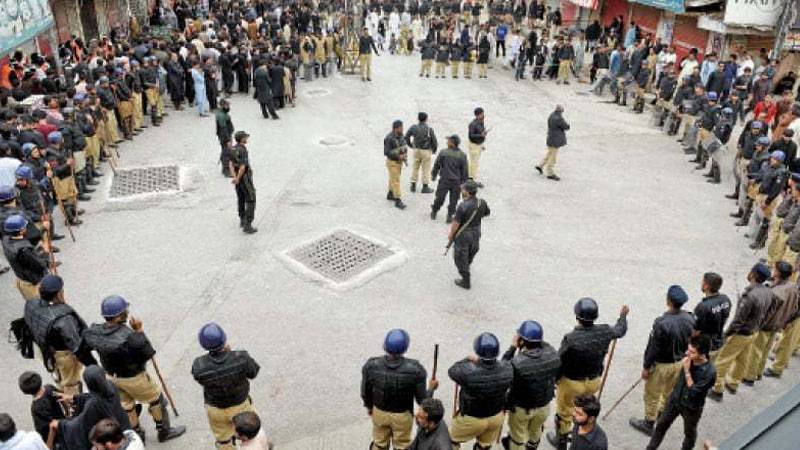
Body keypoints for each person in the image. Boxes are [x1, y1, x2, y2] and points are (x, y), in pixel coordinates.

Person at [82, 295, 186, 442]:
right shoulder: (129, 336)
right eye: (125, 310)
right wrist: (139, 330)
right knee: (157, 399)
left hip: (111, 377)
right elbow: (147, 352)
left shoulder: (95, 331)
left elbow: (82, 348)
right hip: (134, 378)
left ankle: (137, 434)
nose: (127, 312)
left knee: (127, 406)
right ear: (118, 316)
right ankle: (164, 431)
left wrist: (96, 367)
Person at [547, 299, 629, 450]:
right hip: (593, 382)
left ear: (577, 316)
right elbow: (620, 330)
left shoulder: (570, 339)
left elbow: (559, 362)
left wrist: (554, 381)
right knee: (584, 410)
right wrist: (623, 316)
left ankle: (562, 442)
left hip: (571, 384)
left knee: (564, 414)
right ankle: (580, 434)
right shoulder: (605, 331)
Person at [630, 285, 695, 436]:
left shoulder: (661, 323)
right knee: (669, 391)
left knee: (652, 393)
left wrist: (646, 367)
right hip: (680, 362)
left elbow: (653, 348)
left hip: (661, 365)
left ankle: (648, 422)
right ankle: (661, 411)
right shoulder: (689, 318)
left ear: (668, 301)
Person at [708, 263, 773, 401]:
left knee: (722, 361)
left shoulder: (749, 296)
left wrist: (726, 334)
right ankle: (734, 383)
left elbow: (738, 320)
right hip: (754, 331)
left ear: (753, 274)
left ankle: (717, 389)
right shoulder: (768, 291)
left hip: (741, 334)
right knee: (743, 359)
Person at [24, 275, 97, 396]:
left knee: (57, 374)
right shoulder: (64, 319)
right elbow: (77, 347)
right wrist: (93, 366)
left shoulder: (31, 302)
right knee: (71, 383)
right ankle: (73, 407)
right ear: (59, 294)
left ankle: (59, 385)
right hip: (63, 355)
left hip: (44, 349)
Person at [361, 329, 434, 450]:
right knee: (402, 445)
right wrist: (431, 388)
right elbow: (423, 401)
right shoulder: (416, 370)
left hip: (379, 412)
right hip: (403, 416)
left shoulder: (371, 365)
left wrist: (369, 407)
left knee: (379, 443)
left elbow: (365, 392)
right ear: (405, 348)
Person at [192, 322, 260, 450]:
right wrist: (231, 354)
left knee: (223, 441)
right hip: (241, 406)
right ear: (224, 339)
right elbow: (253, 372)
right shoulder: (241, 357)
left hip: (216, 409)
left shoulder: (199, 365)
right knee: (251, 433)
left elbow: (200, 379)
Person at [645, 336, 716, 450]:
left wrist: (687, 370)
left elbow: (694, 392)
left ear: (702, 354)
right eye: (688, 350)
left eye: (692, 352)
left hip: (691, 407)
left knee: (689, 433)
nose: (687, 353)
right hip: (676, 399)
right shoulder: (689, 358)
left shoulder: (709, 372)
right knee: (661, 425)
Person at [500, 320, 560, 450]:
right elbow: (545, 346)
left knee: (517, 438)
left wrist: (512, 347)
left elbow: (502, 370)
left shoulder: (517, 363)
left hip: (522, 408)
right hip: (544, 405)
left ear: (521, 340)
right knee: (536, 430)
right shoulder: (552, 354)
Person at [448, 332, 513, 450]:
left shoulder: (469, 374)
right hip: (496, 416)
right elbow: (506, 362)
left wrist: (467, 360)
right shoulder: (507, 370)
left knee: (451, 442)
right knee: (484, 446)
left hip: (471, 419)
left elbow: (453, 370)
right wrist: (513, 348)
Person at [54, 365, 132, 450]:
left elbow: (80, 424)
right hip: (122, 426)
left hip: (109, 437)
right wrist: (74, 397)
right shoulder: (110, 386)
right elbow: (95, 395)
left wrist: (62, 425)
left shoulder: (93, 405)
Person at [744, 262, 796, 383]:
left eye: (774, 269)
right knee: (766, 349)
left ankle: (749, 376)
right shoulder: (792, 287)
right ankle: (759, 372)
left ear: (778, 272)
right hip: (778, 324)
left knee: (756, 351)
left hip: (767, 325)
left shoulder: (776, 293)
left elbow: (766, 312)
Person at [449, 180, 490, 289]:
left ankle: (465, 281)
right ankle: (467, 265)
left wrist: (451, 235)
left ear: (467, 192)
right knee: (471, 251)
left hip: (463, 235)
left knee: (459, 257)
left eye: (463, 189)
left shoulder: (462, 206)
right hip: (476, 232)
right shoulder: (482, 202)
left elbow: (455, 224)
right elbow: (487, 213)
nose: (461, 190)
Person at [2, 214, 49, 300]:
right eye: (24, 227)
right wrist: (45, 252)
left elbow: (26, 238)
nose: (26, 228)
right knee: (40, 306)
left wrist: (42, 228)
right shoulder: (24, 251)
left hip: (21, 278)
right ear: (21, 231)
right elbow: (40, 266)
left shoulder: (6, 239)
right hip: (31, 283)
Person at [17, 371, 66, 444]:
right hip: (63, 423)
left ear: (24, 391)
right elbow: (62, 397)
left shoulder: (36, 407)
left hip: (55, 439)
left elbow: (44, 429)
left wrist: (48, 446)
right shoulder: (49, 388)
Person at [692, 272, 732, 361]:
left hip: (705, 347)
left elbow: (695, 332)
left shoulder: (703, 307)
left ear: (706, 286)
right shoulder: (726, 299)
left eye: (703, 282)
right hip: (719, 341)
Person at [431, 135, 468, 223]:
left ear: (452, 143)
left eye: (448, 141)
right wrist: (464, 183)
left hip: (445, 180)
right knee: (454, 201)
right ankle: (450, 215)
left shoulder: (443, 152)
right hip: (456, 182)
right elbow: (465, 171)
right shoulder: (463, 155)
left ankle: (434, 211)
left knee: (440, 198)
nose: (447, 142)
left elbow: (437, 165)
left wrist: (434, 175)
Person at [229, 131, 257, 234]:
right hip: (244, 178)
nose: (247, 139)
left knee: (240, 198)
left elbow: (231, 164)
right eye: (245, 137)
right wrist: (239, 177)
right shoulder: (243, 150)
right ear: (241, 139)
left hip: (238, 179)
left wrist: (235, 177)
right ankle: (248, 224)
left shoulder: (233, 149)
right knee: (251, 198)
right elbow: (243, 167)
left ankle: (242, 219)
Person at [405, 112, 438, 194]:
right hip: (426, 151)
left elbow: (406, 137)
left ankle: (413, 185)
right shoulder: (429, 129)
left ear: (418, 119)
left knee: (415, 166)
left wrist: (411, 145)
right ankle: (425, 187)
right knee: (426, 169)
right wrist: (434, 150)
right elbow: (434, 141)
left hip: (416, 150)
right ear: (426, 119)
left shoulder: (413, 127)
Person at [536, 105, 570, 181]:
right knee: (553, 157)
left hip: (550, 138)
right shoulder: (559, 118)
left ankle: (540, 165)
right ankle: (550, 173)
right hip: (556, 140)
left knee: (549, 153)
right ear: (561, 111)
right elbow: (566, 126)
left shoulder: (551, 115)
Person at [384, 120, 408, 210]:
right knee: (396, 180)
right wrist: (398, 156)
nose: (402, 129)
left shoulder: (401, 136)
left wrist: (405, 157)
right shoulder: (389, 138)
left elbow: (404, 146)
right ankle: (398, 199)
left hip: (399, 162)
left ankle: (390, 193)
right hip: (392, 162)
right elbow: (386, 152)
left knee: (393, 178)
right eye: (401, 127)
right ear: (396, 128)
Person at [467, 108, 487, 187]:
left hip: (478, 145)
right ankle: (471, 180)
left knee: (475, 163)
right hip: (474, 146)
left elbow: (481, 131)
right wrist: (481, 135)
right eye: (482, 114)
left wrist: (482, 144)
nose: (483, 115)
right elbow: (471, 136)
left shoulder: (481, 122)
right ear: (478, 115)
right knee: (473, 163)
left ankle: (471, 178)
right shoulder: (473, 124)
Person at [216, 99, 234, 177]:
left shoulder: (223, 113)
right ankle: (226, 171)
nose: (228, 107)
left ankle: (226, 169)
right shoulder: (221, 115)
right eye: (227, 105)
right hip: (225, 137)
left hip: (226, 135)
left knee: (226, 152)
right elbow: (223, 129)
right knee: (226, 153)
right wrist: (228, 140)